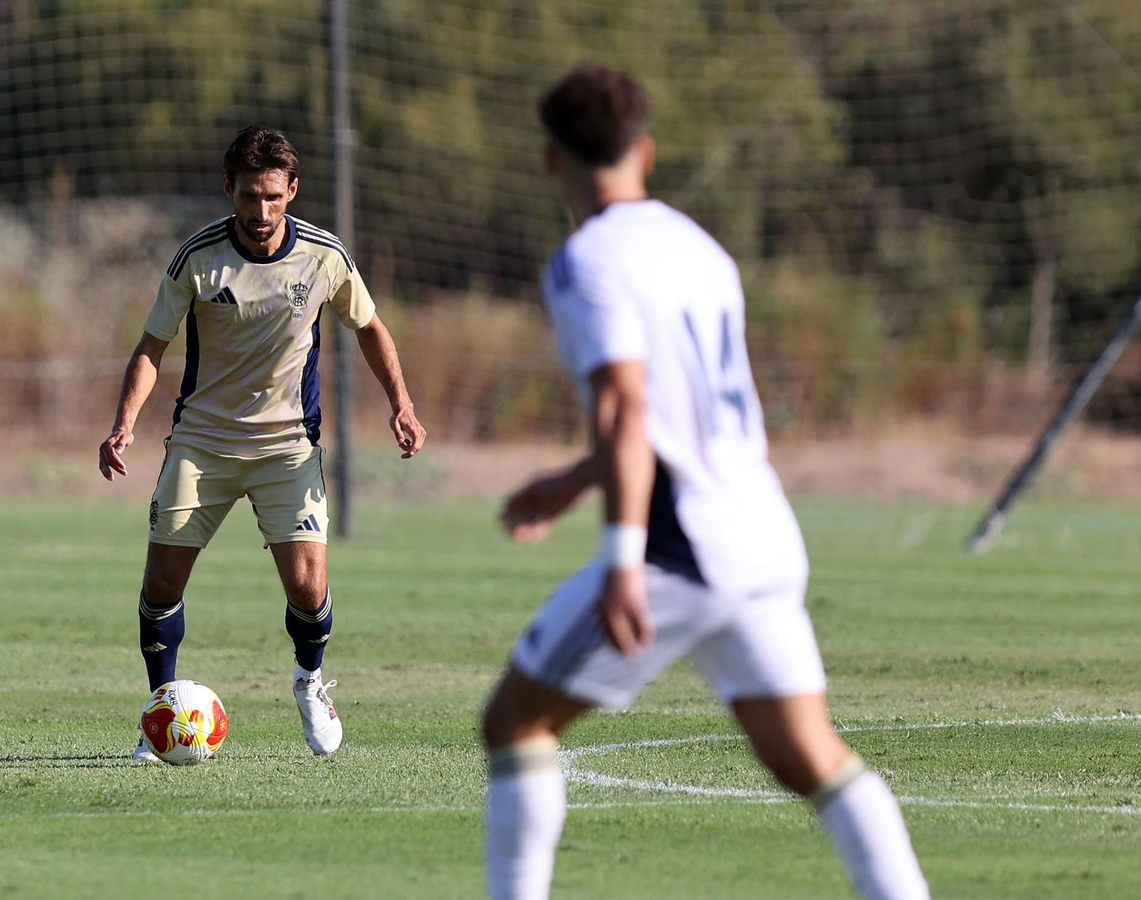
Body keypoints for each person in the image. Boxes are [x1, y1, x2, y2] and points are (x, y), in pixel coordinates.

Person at [481, 65, 929, 899]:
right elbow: (674, 414)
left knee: (514, 723)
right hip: (761, 532)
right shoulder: (701, 249)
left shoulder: (585, 261)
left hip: (679, 548)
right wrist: (576, 479)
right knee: (810, 757)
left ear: (550, 160)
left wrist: (622, 558)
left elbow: (625, 403)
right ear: (645, 151)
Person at [99, 124, 427, 760]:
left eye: (273, 196)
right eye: (249, 195)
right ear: (229, 189)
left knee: (307, 588)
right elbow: (152, 347)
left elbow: (370, 327)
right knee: (161, 584)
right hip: (203, 441)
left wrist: (402, 405)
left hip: (287, 447)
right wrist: (124, 424)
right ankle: (161, 710)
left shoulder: (325, 257)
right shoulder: (197, 258)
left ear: (292, 191)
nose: (260, 210)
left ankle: (309, 682)